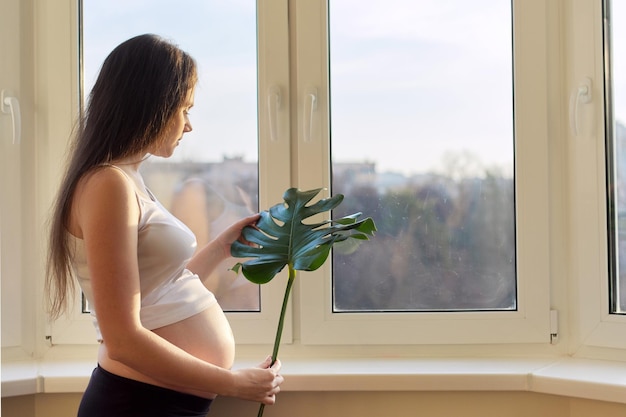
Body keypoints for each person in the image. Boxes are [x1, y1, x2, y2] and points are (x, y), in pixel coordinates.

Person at [45, 34, 283, 417]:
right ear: (152, 105)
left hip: (159, 402)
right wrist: (234, 383)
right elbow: (122, 339)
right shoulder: (107, 185)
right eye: (184, 109)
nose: (189, 126)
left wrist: (222, 247)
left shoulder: (127, 178)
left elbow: (159, 289)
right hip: (137, 404)